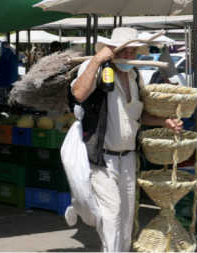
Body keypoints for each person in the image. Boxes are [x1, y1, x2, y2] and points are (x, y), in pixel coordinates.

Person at [70, 27, 183, 252]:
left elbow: (138, 115)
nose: (130, 56)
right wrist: (96, 60)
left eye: (134, 51)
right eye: (125, 51)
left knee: (127, 215)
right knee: (111, 214)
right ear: (113, 50)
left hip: (128, 157)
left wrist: (164, 122)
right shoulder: (98, 68)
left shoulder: (134, 76)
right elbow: (78, 95)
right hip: (102, 157)